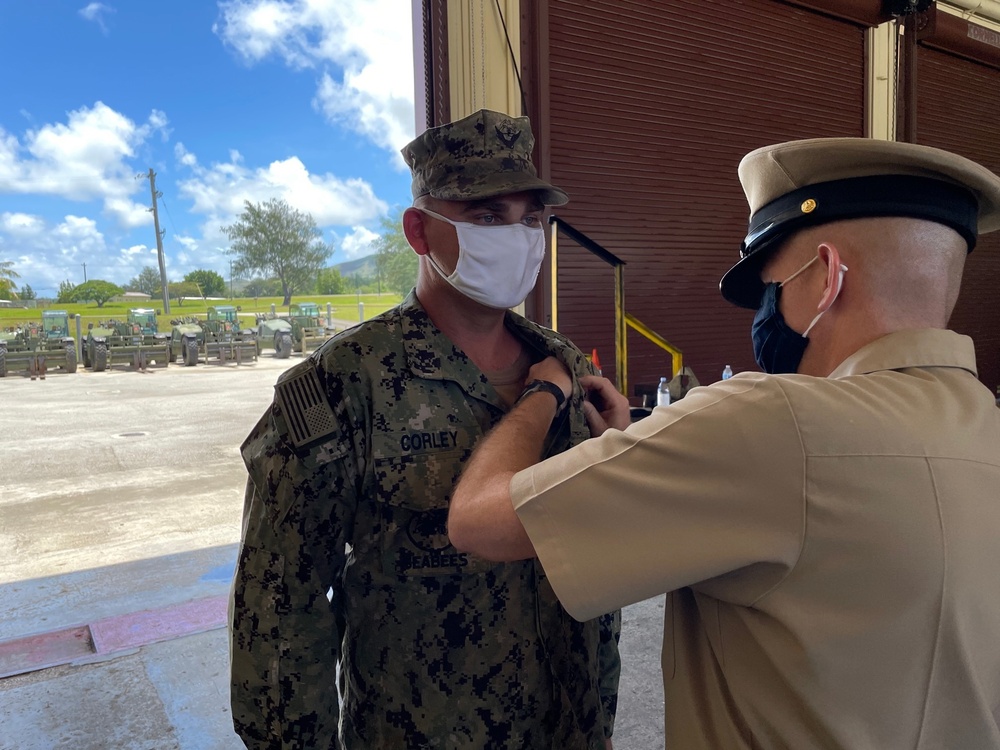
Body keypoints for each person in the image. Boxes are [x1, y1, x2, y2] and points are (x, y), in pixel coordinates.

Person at [448, 137, 1000, 749]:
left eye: (771, 288)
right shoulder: (982, 427)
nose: (764, 313)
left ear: (826, 275)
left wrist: (541, 395)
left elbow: (478, 522)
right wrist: (643, 452)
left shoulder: (770, 421)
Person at [229, 108, 621, 750]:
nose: (519, 237)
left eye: (531, 219)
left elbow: (596, 565)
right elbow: (280, 609)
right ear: (419, 231)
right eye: (489, 216)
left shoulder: (568, 369)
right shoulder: (342, 383)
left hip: (566, 729)